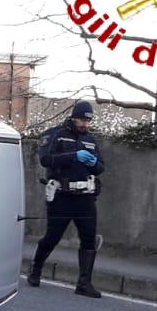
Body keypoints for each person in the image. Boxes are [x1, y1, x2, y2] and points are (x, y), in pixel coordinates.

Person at [27, 100, 107, 298]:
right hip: (62, 196)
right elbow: (46, 159)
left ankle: (84, 284)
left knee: (89, 239)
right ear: (74, 117)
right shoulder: (55, 134)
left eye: (88, 121)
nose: (85, 124)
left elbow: (100, 168)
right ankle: (35, 269)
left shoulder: (90, 140)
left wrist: (94, 163)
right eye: (82, 120)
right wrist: (74, 156)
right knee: (52, 237)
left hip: (85, 197)